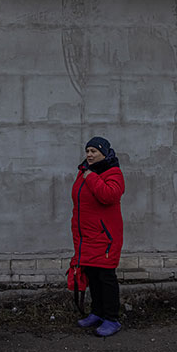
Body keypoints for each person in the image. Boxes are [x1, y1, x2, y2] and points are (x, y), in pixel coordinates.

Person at [70, 136, 125, 337]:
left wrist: (91, 177)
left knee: (106, 277)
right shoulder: (84, 172)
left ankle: (112, 319)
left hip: (105, 237)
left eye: (94, 151)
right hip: (87, 236)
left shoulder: (113, 172)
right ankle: (97, 312)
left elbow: (109, 195)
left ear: (104, 153)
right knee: (93, 275)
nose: (89, 155)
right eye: (87, 151)